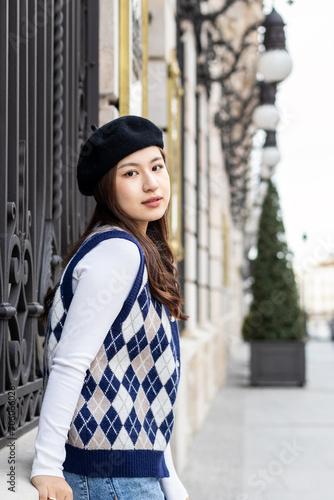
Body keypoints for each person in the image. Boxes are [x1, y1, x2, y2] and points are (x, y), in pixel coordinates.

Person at [31, 115, 190, 500]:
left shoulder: (140, 252)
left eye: (156, 166)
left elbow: (142, 390)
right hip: (108, 480)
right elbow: (70, 361)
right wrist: (47, 466)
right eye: (131, 173)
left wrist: (170, 482)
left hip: (133, 475)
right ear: (107, 188)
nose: (152, 183)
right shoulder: (119, 252)